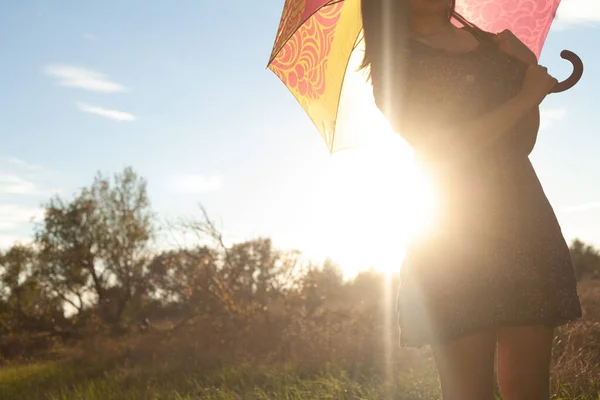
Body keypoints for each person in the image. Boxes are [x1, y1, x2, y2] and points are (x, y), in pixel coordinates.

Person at [359, 0, 582, 399]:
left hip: (523, 221)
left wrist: (526, 66)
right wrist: (522, 98)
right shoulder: (394, 65)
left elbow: (521, 144)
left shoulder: (489, 43)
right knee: (468, 393)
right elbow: (441, 148)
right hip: (449, 236)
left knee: (530, 392)